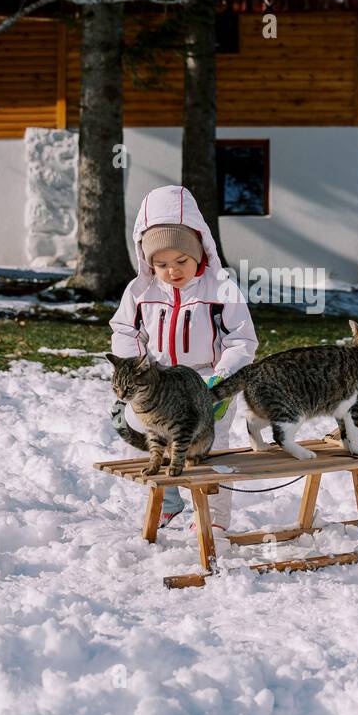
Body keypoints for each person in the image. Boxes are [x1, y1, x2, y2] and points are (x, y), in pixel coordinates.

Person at [109, 185, 257, 550]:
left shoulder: (220, 289)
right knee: (150, 439)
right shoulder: (140, 292)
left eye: (181, 261)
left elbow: (242, 341)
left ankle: (213, 517)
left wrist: (220, 377)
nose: (171, 271)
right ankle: (168, 502)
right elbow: (125, 331)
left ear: (200, 251)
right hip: (158, 384)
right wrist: (136, 368)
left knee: (209, 445)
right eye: (161, 264)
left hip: (208, 380)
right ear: (148, 261)